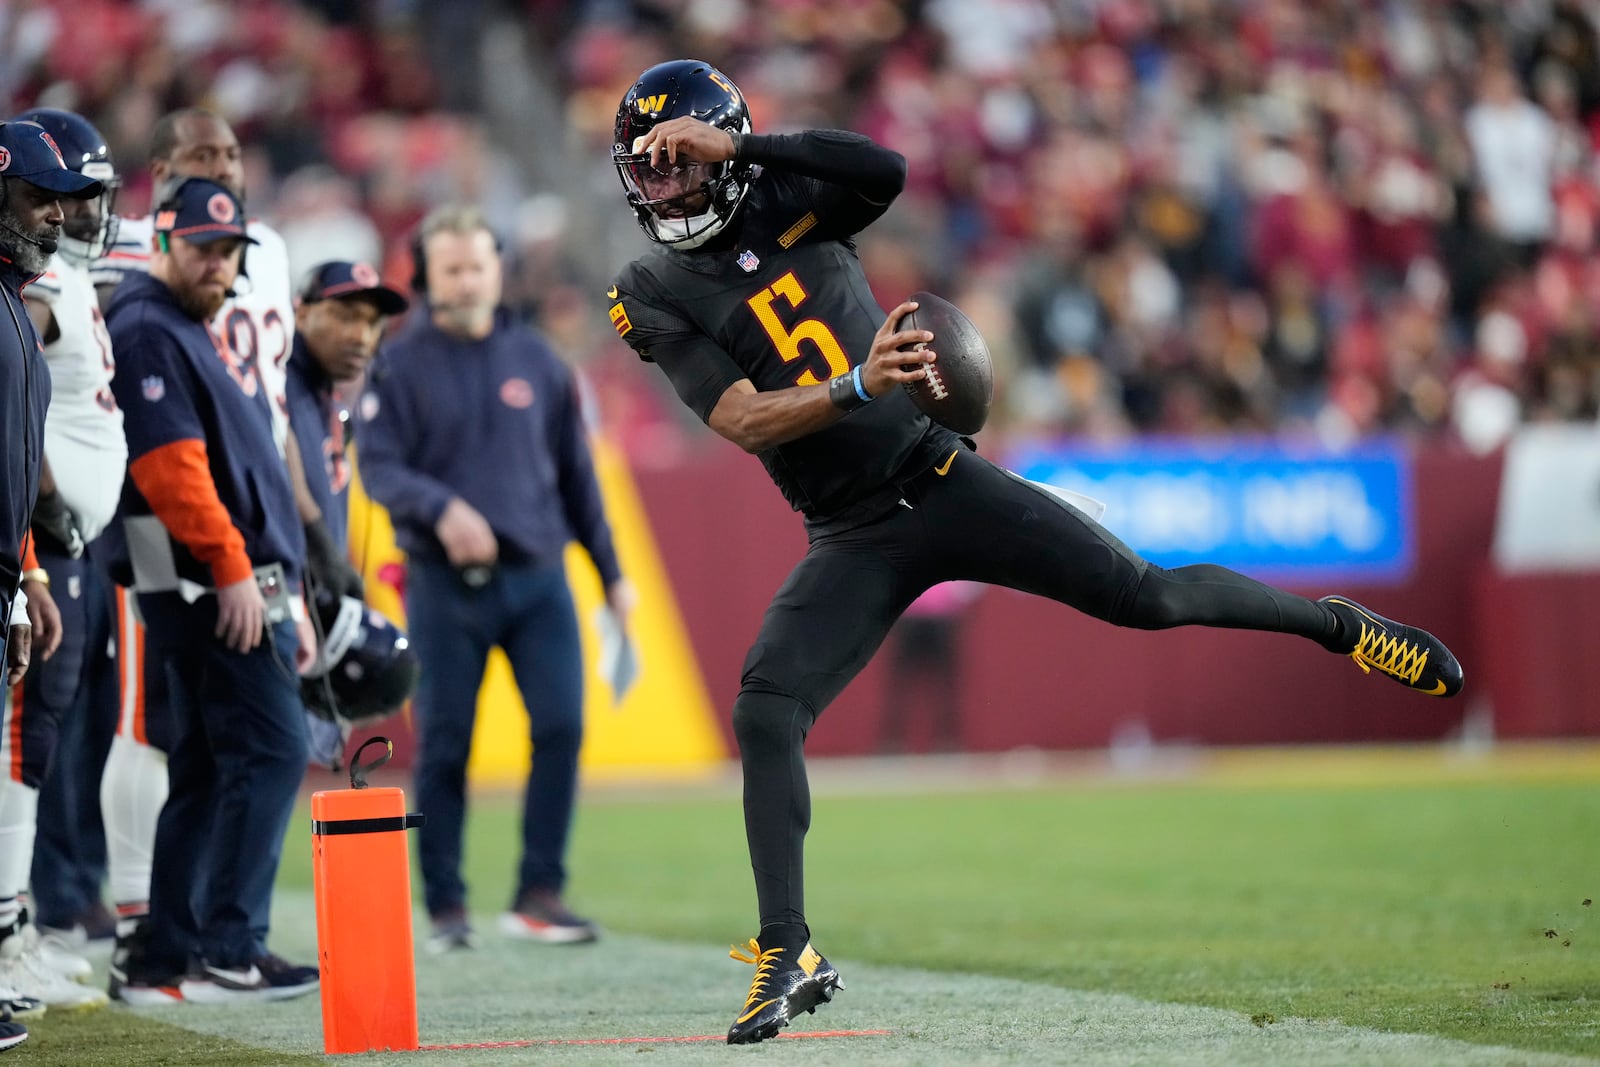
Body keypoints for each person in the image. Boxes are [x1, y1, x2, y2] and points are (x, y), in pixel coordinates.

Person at [603, 59, 1466, 1045]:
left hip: (938, 477)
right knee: (765, 709)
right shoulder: (647, 288)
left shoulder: (791, 194)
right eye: (647, 165)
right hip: (851, 531)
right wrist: (856, 383)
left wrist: (744, 146)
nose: (661, 181)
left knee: (1146, 594)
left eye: (678, 159)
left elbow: (881, 168)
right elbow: (745, 419)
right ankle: (788, 948)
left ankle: (1340, 626)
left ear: (722, 148)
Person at [91, 106, 361, 991]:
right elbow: (172, 472)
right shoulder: (145, 324)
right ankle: (230, 941)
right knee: (276, 749)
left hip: (226, 573)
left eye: (230, 249)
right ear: (163, 237)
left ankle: (168, 946)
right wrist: (237, 572)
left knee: (208, 761)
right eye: (204, 248)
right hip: (211, 578)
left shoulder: (181, 320)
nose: (220, 264)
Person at [359, 204, 631, 951]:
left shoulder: (540, 360)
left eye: (478, 264)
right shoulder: (398, 361)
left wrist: (612, 574)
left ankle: (540, 891)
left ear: (498, 268)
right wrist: (440, 507)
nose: (467, 279)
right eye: (451, 267)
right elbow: (378, 466)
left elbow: (580, 479)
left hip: (539, 573)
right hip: (445, 583)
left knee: (563, 726)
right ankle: (446, 904)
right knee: (446, 742)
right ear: (426, 275)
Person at [5, 107, 129, 1011]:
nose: (68, 213)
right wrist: (44, 527)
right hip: (39, 551)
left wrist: (29, 571)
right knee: (23, 747)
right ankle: (15, 936)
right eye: (47, 197)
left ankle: (19, 932)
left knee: (38, 746)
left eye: (74, 199)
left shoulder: (35, 289)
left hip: (34, 564)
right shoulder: (35, 299)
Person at [286, 259, 407, 766]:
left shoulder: (327, 401)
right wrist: (319, 547)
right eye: (344, 315)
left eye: (372, 322)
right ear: (300, 312)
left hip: (308, 612)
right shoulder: (281, 384)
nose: (361, 334)